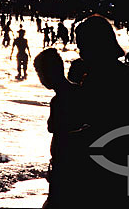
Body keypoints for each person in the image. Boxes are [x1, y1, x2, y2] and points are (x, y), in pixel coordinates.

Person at [74, 14, 129, 207]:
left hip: (102, 172)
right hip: (128, 165)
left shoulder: (94, 81)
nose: (80, 53)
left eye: (83, 47)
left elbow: (87, 126)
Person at [34, 49, 82, 208]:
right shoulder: (77, 91)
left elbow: (53, 127)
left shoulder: (60, 99)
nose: (40, 78)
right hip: (68, 163)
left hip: (68, 164)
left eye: (40, 72)